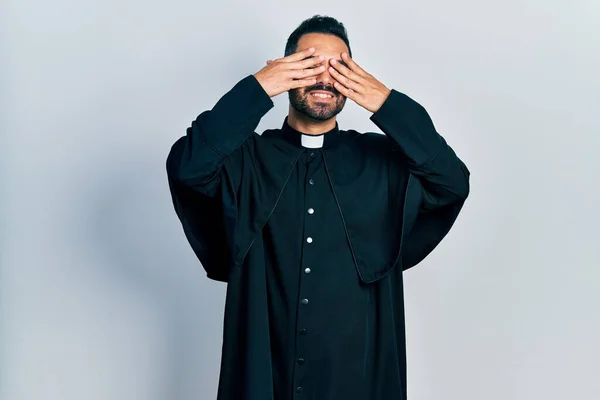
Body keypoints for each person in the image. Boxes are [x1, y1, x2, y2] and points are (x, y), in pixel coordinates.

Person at [166, 14, 470, 400]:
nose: (325, 78)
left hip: (355, 378)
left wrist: (389, 105)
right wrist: (255, 90)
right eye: (311, 65)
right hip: (264, 375)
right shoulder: (247, 160)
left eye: (339, 67)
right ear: (286, 72)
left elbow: (452, 182)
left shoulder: (381, 162)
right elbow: (188, 168)